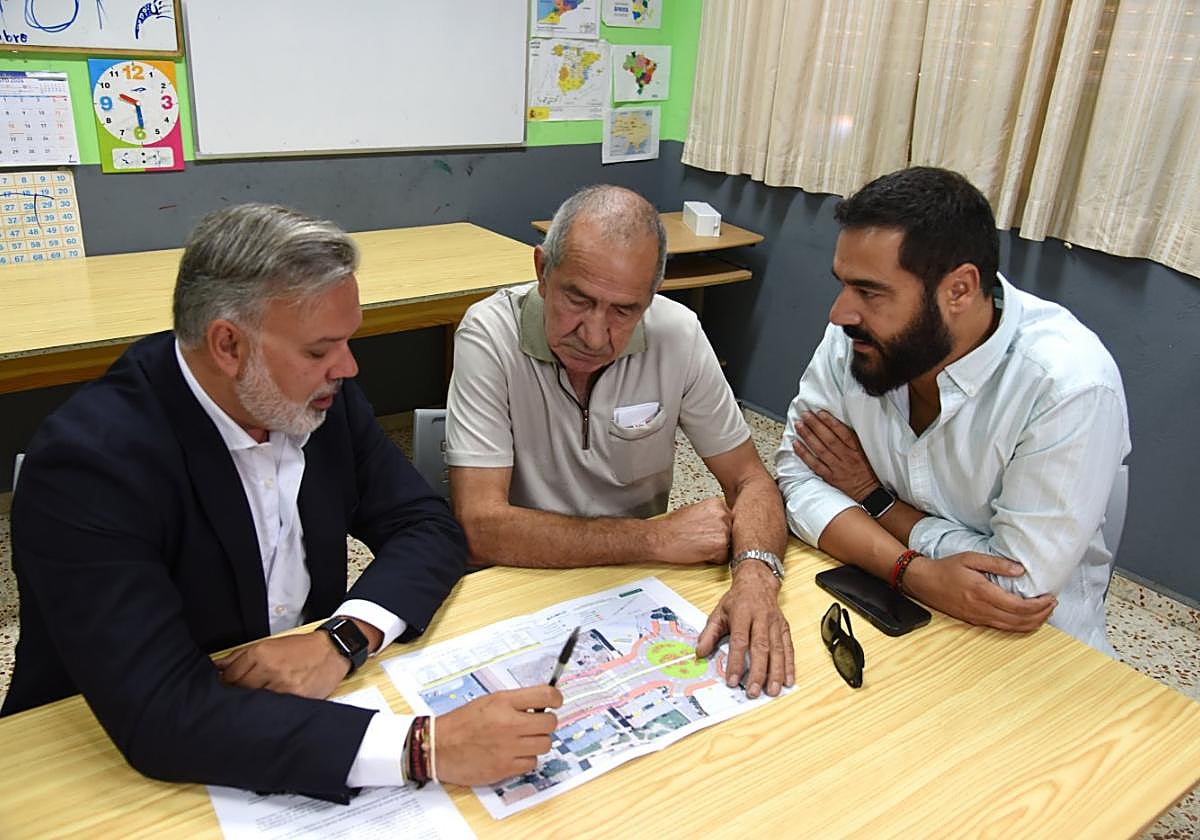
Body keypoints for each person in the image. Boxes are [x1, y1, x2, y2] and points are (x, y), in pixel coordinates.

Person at [1, 204, 560, 800]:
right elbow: (161, 715)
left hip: (304, 708)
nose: (347, 367)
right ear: (227, 345)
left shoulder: (317, 396)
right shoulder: (90, 464)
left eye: (347, 341)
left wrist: (343, 638)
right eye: (321, 350)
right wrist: (423, 747)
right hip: (92, 758)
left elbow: (424, 524)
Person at [446, 185, 794, 698]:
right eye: (577, 299)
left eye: (623, 311)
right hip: (520, 583)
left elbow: (749, 479)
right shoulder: (489, 335)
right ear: (542, 270)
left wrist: (756, 576)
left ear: (650, 300)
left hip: (640, 586)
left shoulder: (679, 333)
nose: (594, 334)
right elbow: (480, 527)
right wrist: (654, 538)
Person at [776, 167, 1130, 651]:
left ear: (959, 289)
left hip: (1030, 648)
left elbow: (1010, 586)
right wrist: (914, 572)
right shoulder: (857, 340)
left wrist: (875, 501)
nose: (840, 313)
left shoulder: (1066, 385)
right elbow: (796, 480)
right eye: (843, 284)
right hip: (888, 608)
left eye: (870, 291)